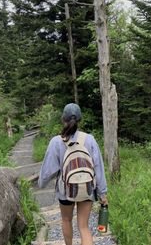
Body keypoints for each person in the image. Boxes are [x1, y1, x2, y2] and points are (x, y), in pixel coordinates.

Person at [38, 103, 108, 245]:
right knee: (84, 227)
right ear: (80, 119)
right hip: (87, 188)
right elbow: (98, 167)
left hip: (65, 190)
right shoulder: (90, 139)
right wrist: (102, 193)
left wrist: (42, 183)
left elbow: (48, 169)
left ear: (63, 119)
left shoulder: (56, 142)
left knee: (66, 220)